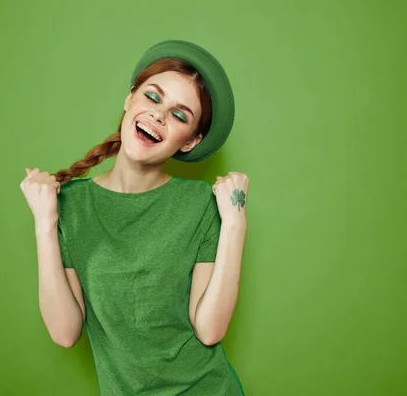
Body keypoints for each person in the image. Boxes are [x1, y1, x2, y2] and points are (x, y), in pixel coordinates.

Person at [20, 40, 249, 395]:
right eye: (153, 97)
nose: (158, 115)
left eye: (179, 114)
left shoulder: (201, 203)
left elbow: (210, 330)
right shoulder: (71, 205)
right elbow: (65, 333)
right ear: (129, 100)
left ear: (190, 142)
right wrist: (44, 222)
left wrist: (235, 223)